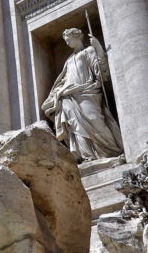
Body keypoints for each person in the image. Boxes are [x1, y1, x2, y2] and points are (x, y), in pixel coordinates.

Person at [41, 28, 123, 161]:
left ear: (77, 37)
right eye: (65, 41)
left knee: (96, 120)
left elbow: (101, 73)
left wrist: (98, 48)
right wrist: (58, 93)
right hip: (69, 96)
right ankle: (87, 156)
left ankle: (112, 151)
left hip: (88, 92)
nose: (67, 43)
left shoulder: (88, 51)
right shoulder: (69, 60)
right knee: (75, 126)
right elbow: (64, 80)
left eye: (68, 39)